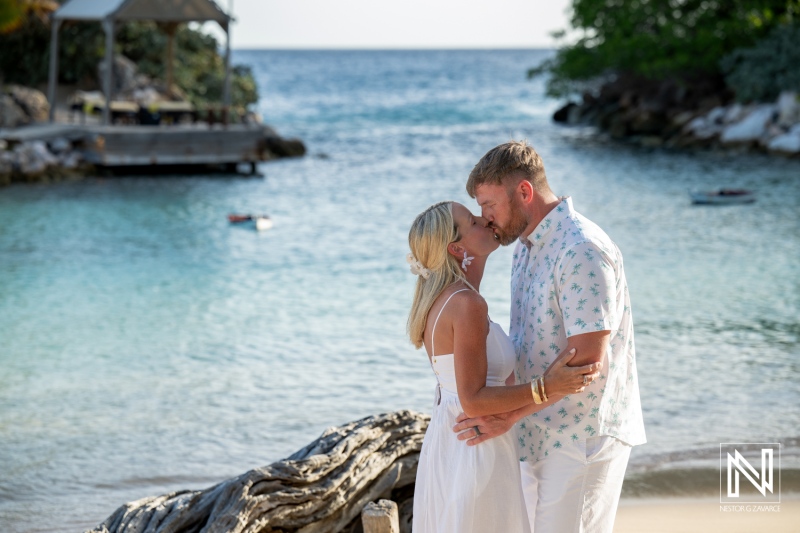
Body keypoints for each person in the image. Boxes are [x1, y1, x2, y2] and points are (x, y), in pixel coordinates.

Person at [453, 141, 647, 533]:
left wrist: (508, 415)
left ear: (524, 192)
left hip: (583, 435)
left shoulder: (581, 249)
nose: (484, 217)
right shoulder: (525, 246)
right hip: (537, 430)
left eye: (489, 204)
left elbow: (588, 362)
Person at [406, 201, 602, 533]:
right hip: (476, 443)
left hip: (456, 439)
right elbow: (473, 399)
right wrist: (547, 387)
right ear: (456, 247)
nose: (484, 219)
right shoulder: (467, 304)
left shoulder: (444, 301)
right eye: (472, 220)